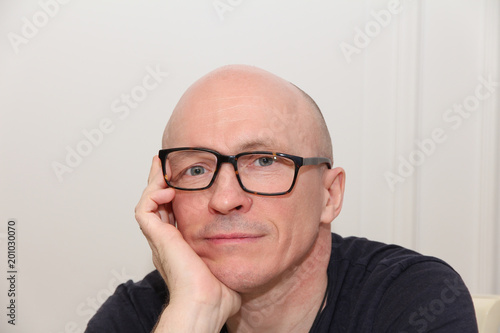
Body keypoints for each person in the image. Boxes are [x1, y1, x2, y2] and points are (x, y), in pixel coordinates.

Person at [85, 65, 478, 332]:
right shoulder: (137, 316)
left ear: (329, 195)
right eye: (197, 169)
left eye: (263, 161)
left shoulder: (411, 298)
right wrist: (194, 313)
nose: (225, 199)